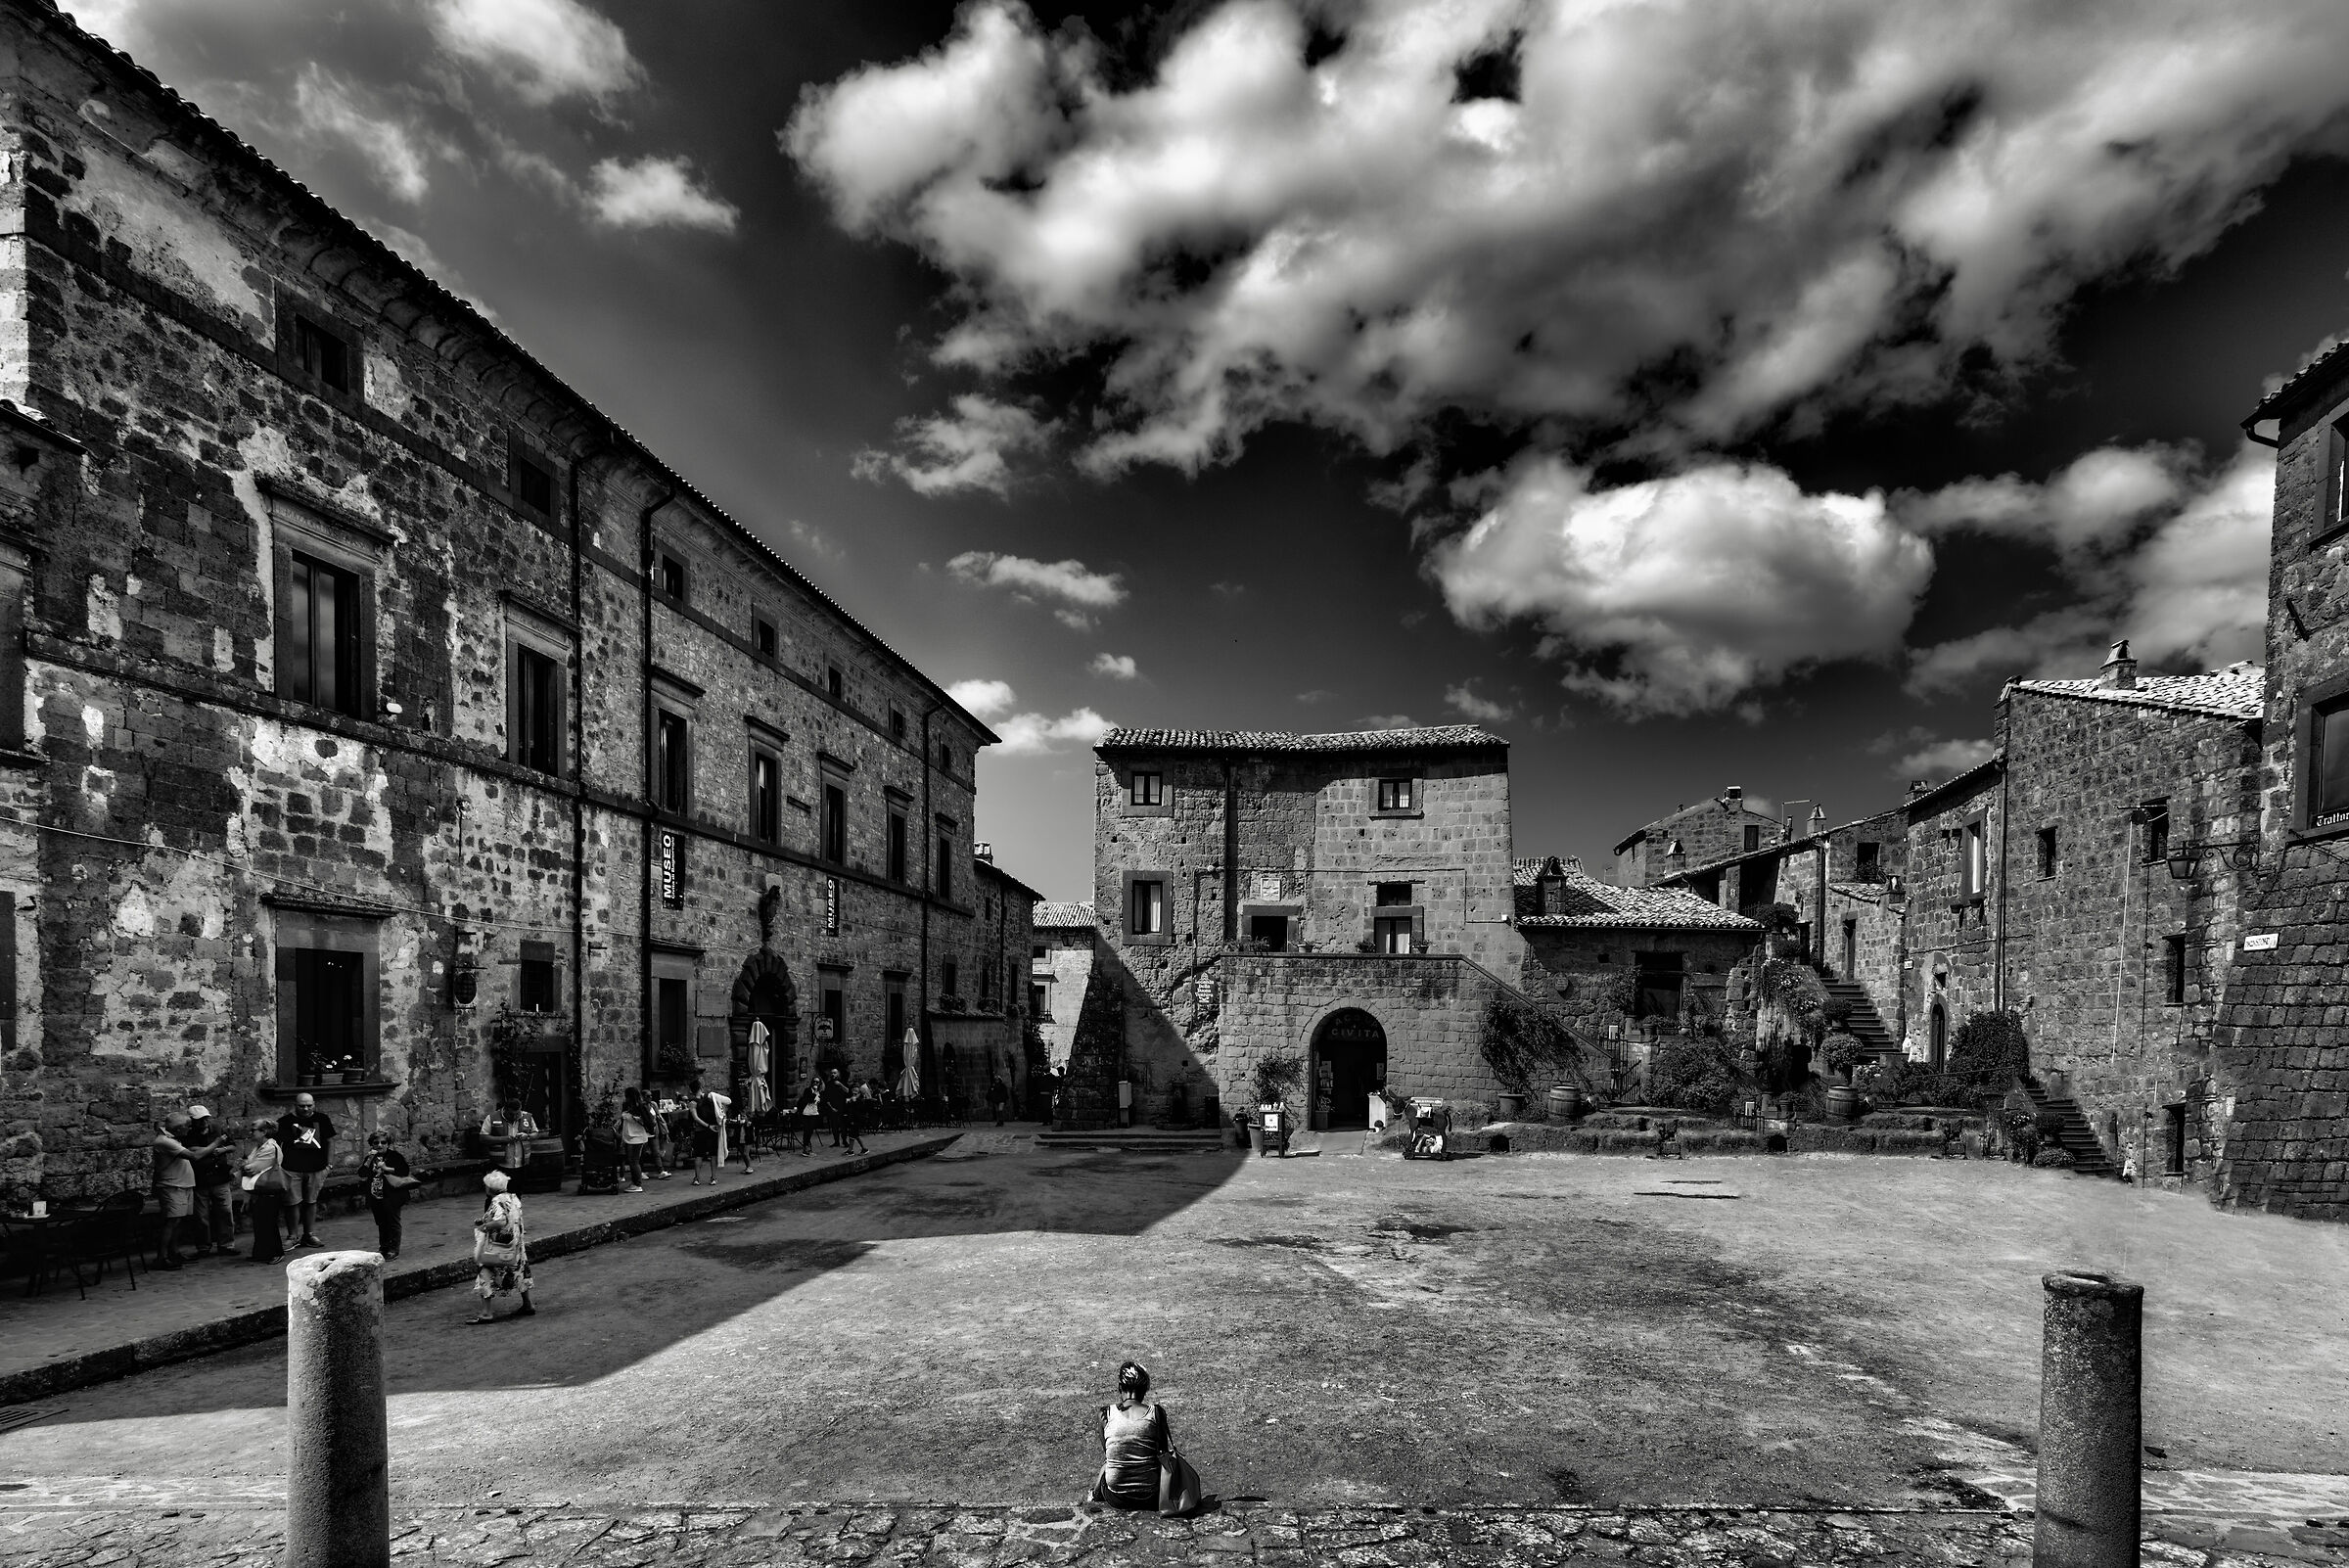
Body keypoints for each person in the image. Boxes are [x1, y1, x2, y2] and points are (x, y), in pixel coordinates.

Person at [1091, 1361, 1174, 1509]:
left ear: (1120, 1388)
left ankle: (1094, 1495)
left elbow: (1109, 1453)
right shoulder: (1156, 1413)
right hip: (1151, 1495)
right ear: (1144, 1390)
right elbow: (1163, 1453)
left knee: (1106, 1466)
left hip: (1117, 1497)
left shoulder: (1105, 1414)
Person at [468, 1171, 533, 1324]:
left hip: (498, 1248)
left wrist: (485, 1226)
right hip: (515, 1246)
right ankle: (528, 1304)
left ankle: (486, 1313)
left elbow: (501, 1221)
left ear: (490, 1188)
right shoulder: (513, 1198)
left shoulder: (497, 1202)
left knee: (484, 1274)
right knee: (520, 1272)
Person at [275, 1092, 337, 1248]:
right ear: (295, 1105)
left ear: (314, 1104)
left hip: (316, 1168)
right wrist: (279, 1166)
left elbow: (330, 1141)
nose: (306, 1108)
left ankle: (309, 1235)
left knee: (311, 1201)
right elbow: (277, 1145)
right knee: (292, 1203)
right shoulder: (285, 1122)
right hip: (291, 1168)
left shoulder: (322, 1119)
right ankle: (292, 1236)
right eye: (302, 1106)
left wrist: (329, 1165)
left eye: (309, 1105)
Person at [150, 1113, 207, 1268]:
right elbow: (193, 1156)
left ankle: (174, 1252)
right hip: (173, 1186)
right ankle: (162, 1257)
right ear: (179, 1128)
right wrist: (215, 1144)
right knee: (171, 1222)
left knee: (178, 1221)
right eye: (187, 1127)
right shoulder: (165, 1141)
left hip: (182, 1184)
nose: (189, 1130)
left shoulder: (172, 1139)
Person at [183, 1104, 240, 1258]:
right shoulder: (188, 1134)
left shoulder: (217, 1128)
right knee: (201, 1216)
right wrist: (214, 1144)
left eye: (206, 1119)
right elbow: (196, 1154)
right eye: (200, 1120)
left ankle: (226, 1245)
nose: (204, 1123)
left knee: (225, 1212)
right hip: (200, 1178)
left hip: (220, 1176)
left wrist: (223, 1149)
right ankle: (203, 1246)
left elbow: (232, 1145)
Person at [363, 1129, 419, 1260]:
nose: (380, 1145)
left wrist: (386, 1168)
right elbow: (362, 1173)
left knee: (393, 1222)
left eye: (383, 1142)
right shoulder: (371, 1157)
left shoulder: (394, 1156)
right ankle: (383, 1247)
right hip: (376, 1195)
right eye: (376, 1143)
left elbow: (404, 1170)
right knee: (381, 1223)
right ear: (372, 1144)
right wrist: (369, 1159)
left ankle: (394, 1249)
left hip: (392, 1195)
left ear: (388, 1144)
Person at [240, 1118, 288, 1265]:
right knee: (260, 1222)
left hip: (269, 1189)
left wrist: (244, 1166)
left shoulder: (269, 1148)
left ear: (264, 1132)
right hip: (261, 1190)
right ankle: (261, 1252)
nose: (251, 1132)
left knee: (268, 1222)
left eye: (254, 1130)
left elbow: (251, 1168)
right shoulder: (259, 1147)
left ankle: (276, 1252)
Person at [481, 1099, 539, 1176]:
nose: (514, 1116)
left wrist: (527, 1136)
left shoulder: (528, 1117)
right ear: (505, 1109)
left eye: (517, 1113)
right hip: (499, 1165)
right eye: (511, 1114)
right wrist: (503, 1139)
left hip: (522, 1164)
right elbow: (482, 1138)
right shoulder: (492, 1117)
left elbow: (536, 1134)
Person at [686, 1076, 721, 1184]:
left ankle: (697, 1178)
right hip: (712, 1129)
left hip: (700, 1130)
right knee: (713, 1154)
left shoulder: (692, 1103)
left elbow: (696, 1118)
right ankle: (714, 1178)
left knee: (699, 1154)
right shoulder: (709, 1099)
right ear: (701, 1087)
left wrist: (706, 1126)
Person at [617, 1086, 652, 1193]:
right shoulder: (627, 1106)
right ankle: (634, 1182)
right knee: (632, 1161)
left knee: (634, 1161)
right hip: (629, 1137)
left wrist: (639, 1120)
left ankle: (637, 1184)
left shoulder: (640, 1107)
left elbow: (648, 1122)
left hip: (637, 1138)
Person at [835, 1072, 870, 1157]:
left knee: (853, 1134)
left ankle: (853, 1150)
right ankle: (860, 1149)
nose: (854, 1089)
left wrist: (854, 1102)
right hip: (852, 1118)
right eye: (853, 1088)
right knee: (855, 1135)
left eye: (856, 1088)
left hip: (857, 1119)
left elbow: (859, 1110)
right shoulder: (851, 1097)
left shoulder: (860, 1099)